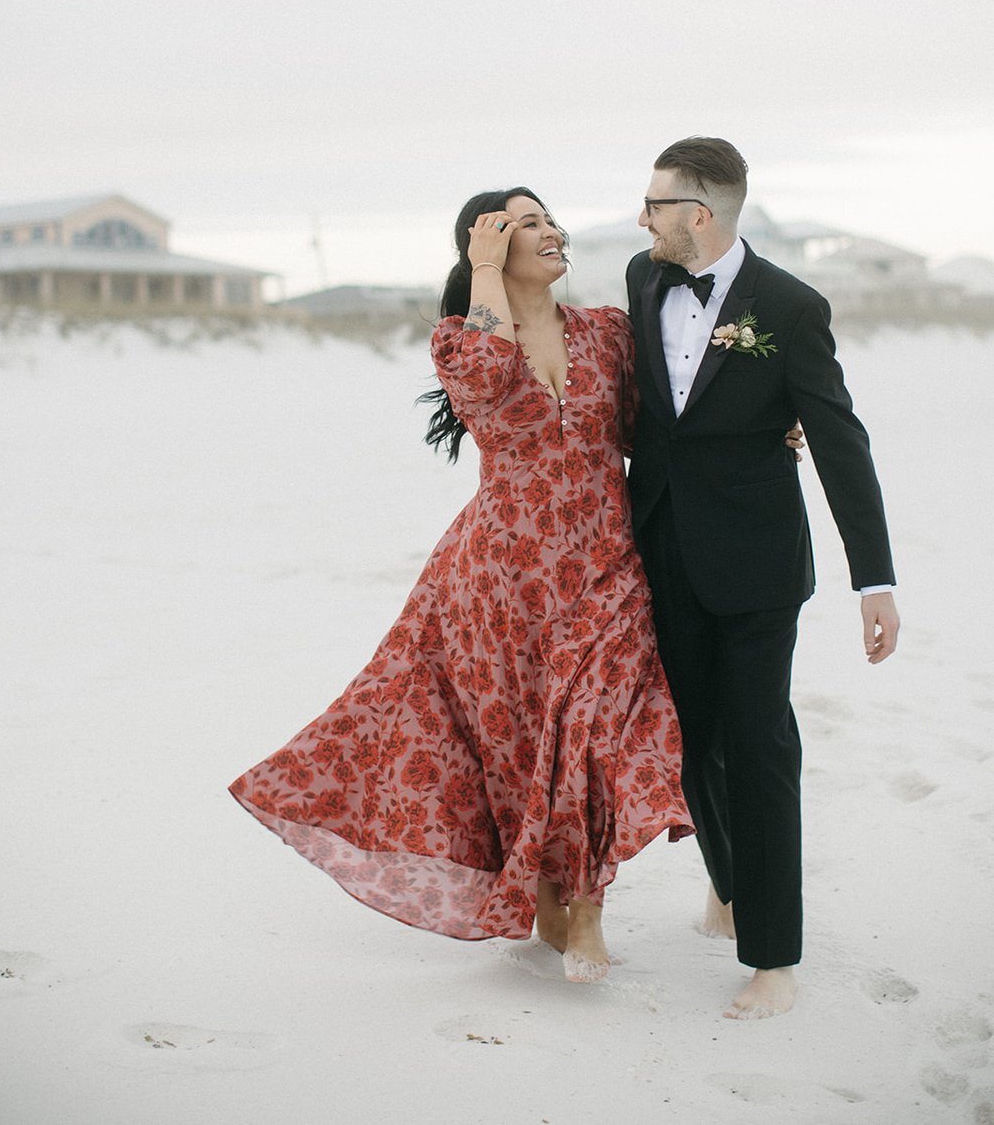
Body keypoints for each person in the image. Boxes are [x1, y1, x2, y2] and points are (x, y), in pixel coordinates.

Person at [230, 188, 694, 984]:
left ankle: (586, 908)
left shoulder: (607, 333)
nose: (550, 233)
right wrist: (483, 271)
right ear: (487, 252)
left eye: (550, 220)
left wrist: (766, 436)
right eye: (524, 226)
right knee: (520, 745)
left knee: (588, 734)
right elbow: (486, 375)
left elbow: (665, 426)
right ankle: (548, 898)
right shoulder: (460, 342)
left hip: (605, 565)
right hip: (499, 581)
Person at [626, 136, 900, 1020]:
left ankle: (774, 960)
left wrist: (876, 580)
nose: (642, 219)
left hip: (756, 566)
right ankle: (731, 880)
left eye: (655, 203)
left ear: (697, 214)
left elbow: (837, 437)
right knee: (688, 739)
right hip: (662, 549)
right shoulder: (643, 279)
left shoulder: (789, 304)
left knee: (760, 746)